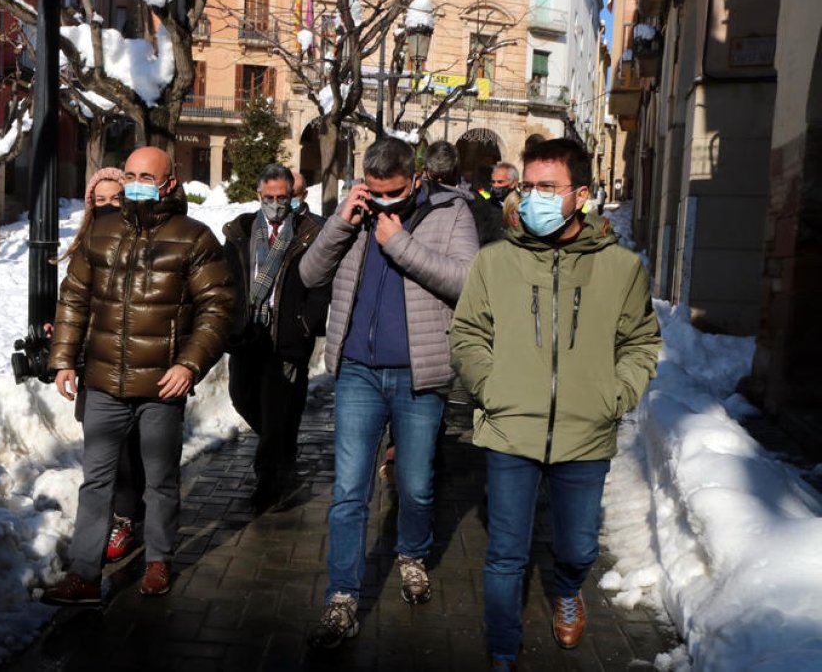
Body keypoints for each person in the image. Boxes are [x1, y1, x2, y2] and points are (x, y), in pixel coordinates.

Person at [448, 138, 661, 671]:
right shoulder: (495, 261)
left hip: (586, 434)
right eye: (529, 186)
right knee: (504, 554)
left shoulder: (620, 268)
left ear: (581, 195)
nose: (533, 198)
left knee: (577, 547)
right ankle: (501, 650)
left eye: (548, 187)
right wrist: (492, 389)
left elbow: (640, 342)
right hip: (509, 428)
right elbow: (468, 335)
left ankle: (569, 589)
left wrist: (616, 395)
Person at [298, 137, 479, 648]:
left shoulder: (451, 212)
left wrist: (398, 242)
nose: (383, 203)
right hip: (357, 370)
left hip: (419, 372)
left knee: (417, 484)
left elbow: (465, 281)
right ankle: (342, 597)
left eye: (393, 193)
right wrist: (341, 223)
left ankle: (412, 552)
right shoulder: (353, 212)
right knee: (350, 489)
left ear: (416, 179)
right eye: (374, 193)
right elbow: (310, 274)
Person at [42, 146, 234, 604]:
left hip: (161, 386)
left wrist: (189, 364)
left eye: (145, 175)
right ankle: (85, 575)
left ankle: (158, 562)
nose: (135, 183)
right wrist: (63, 358)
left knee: (160, 479)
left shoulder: (194, 238)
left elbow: (219, 307)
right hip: (104, 380)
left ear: (170, 181)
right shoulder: (101, 232)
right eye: (128, 175)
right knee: (96, 482)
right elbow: (74, 298)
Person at [52, 167, 146, 564]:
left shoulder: (142, 241)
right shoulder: (85, 244)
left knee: (130, 449)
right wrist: (65, 356)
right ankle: (116, 516)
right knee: (104, 448)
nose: (109, 206)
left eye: (116, 199)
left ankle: (127, 517)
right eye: (100, 200)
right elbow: (72, 303)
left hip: (134, 361)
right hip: (94, 363)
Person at [223, 164, 331, 508]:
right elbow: (228, 280)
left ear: (293, 197)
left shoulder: (309, 232)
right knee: (241, 396)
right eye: (268, 197)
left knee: (274, 408)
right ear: (259, 195)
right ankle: (281, 443)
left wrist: (305, 323)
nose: (274, 204)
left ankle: (267, 480)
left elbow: (321, 282)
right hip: (247, 334)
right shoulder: (240, 230)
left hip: (285, 335)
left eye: (281, 198)